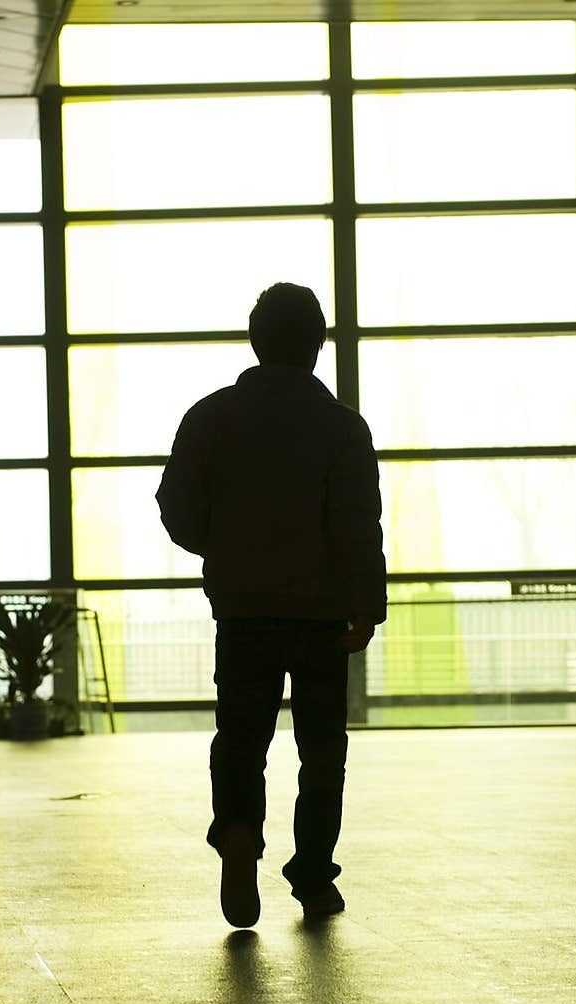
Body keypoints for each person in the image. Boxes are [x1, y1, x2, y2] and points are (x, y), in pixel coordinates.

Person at [156, 282, 387, 928]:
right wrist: (365, 602)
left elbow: (175, 508)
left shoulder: (210, 417)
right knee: (321, 749)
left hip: (243, 609)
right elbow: (357, 525)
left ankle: (237, 832)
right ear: (318, 346)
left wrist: (223, 548)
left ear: (256, 342)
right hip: (321, 616)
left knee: (241, 737)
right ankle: (313, 874)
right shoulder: (343, 428)